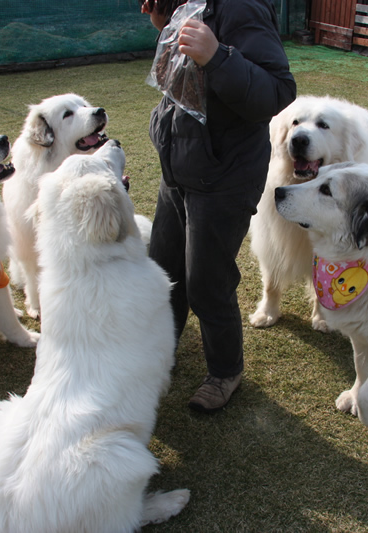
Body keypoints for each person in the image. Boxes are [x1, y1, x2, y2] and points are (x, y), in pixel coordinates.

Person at [140, 0, 296, 412]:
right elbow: (173, 84)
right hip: (179, 167)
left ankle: (226, 371)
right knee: (163, 270)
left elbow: (277, 91)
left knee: (206, 281)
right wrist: (164, 29)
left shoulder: (241, 7)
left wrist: (217, 56)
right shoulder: (188, 6)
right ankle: (158, 351)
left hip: (224, 175)